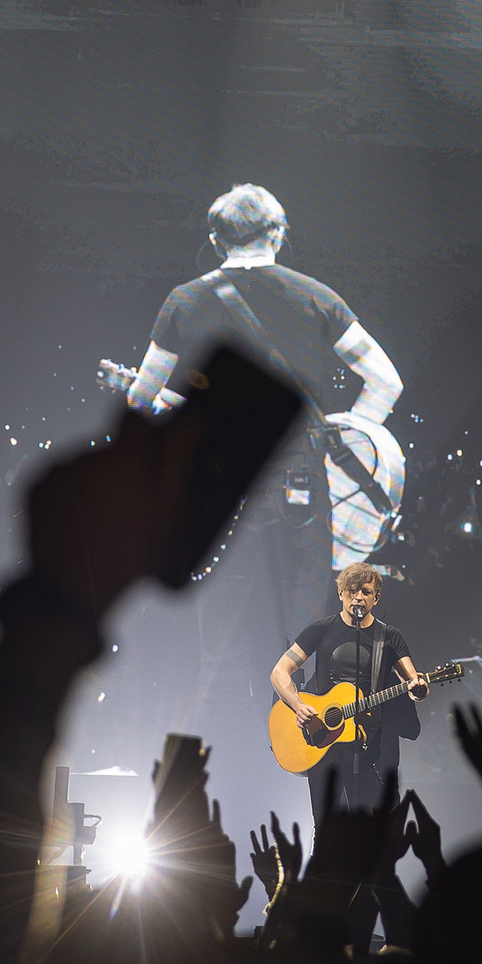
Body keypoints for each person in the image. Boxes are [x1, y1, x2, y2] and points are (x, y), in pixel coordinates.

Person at [123, 183, 403, 594]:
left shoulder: (183, 301)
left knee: (224, 633)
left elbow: (141, 399)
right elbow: (385, 382)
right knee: (299, 635)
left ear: (216, 241)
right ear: (277, 234)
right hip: (301, 485)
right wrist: (344, 439)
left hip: (217, 487)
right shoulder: (316, 296)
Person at [270, 563, 430, 833]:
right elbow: (279, 672)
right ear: (341, 593)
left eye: (366, 591)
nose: (359, 596)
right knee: (326, 831)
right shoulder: (320, 630)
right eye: (352, 590)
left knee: (373, 831)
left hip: (369, 747)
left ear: (376, 598)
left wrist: (419, 688)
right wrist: (298, 705)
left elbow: (411, 679)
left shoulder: (389, 637)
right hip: (322, 740)